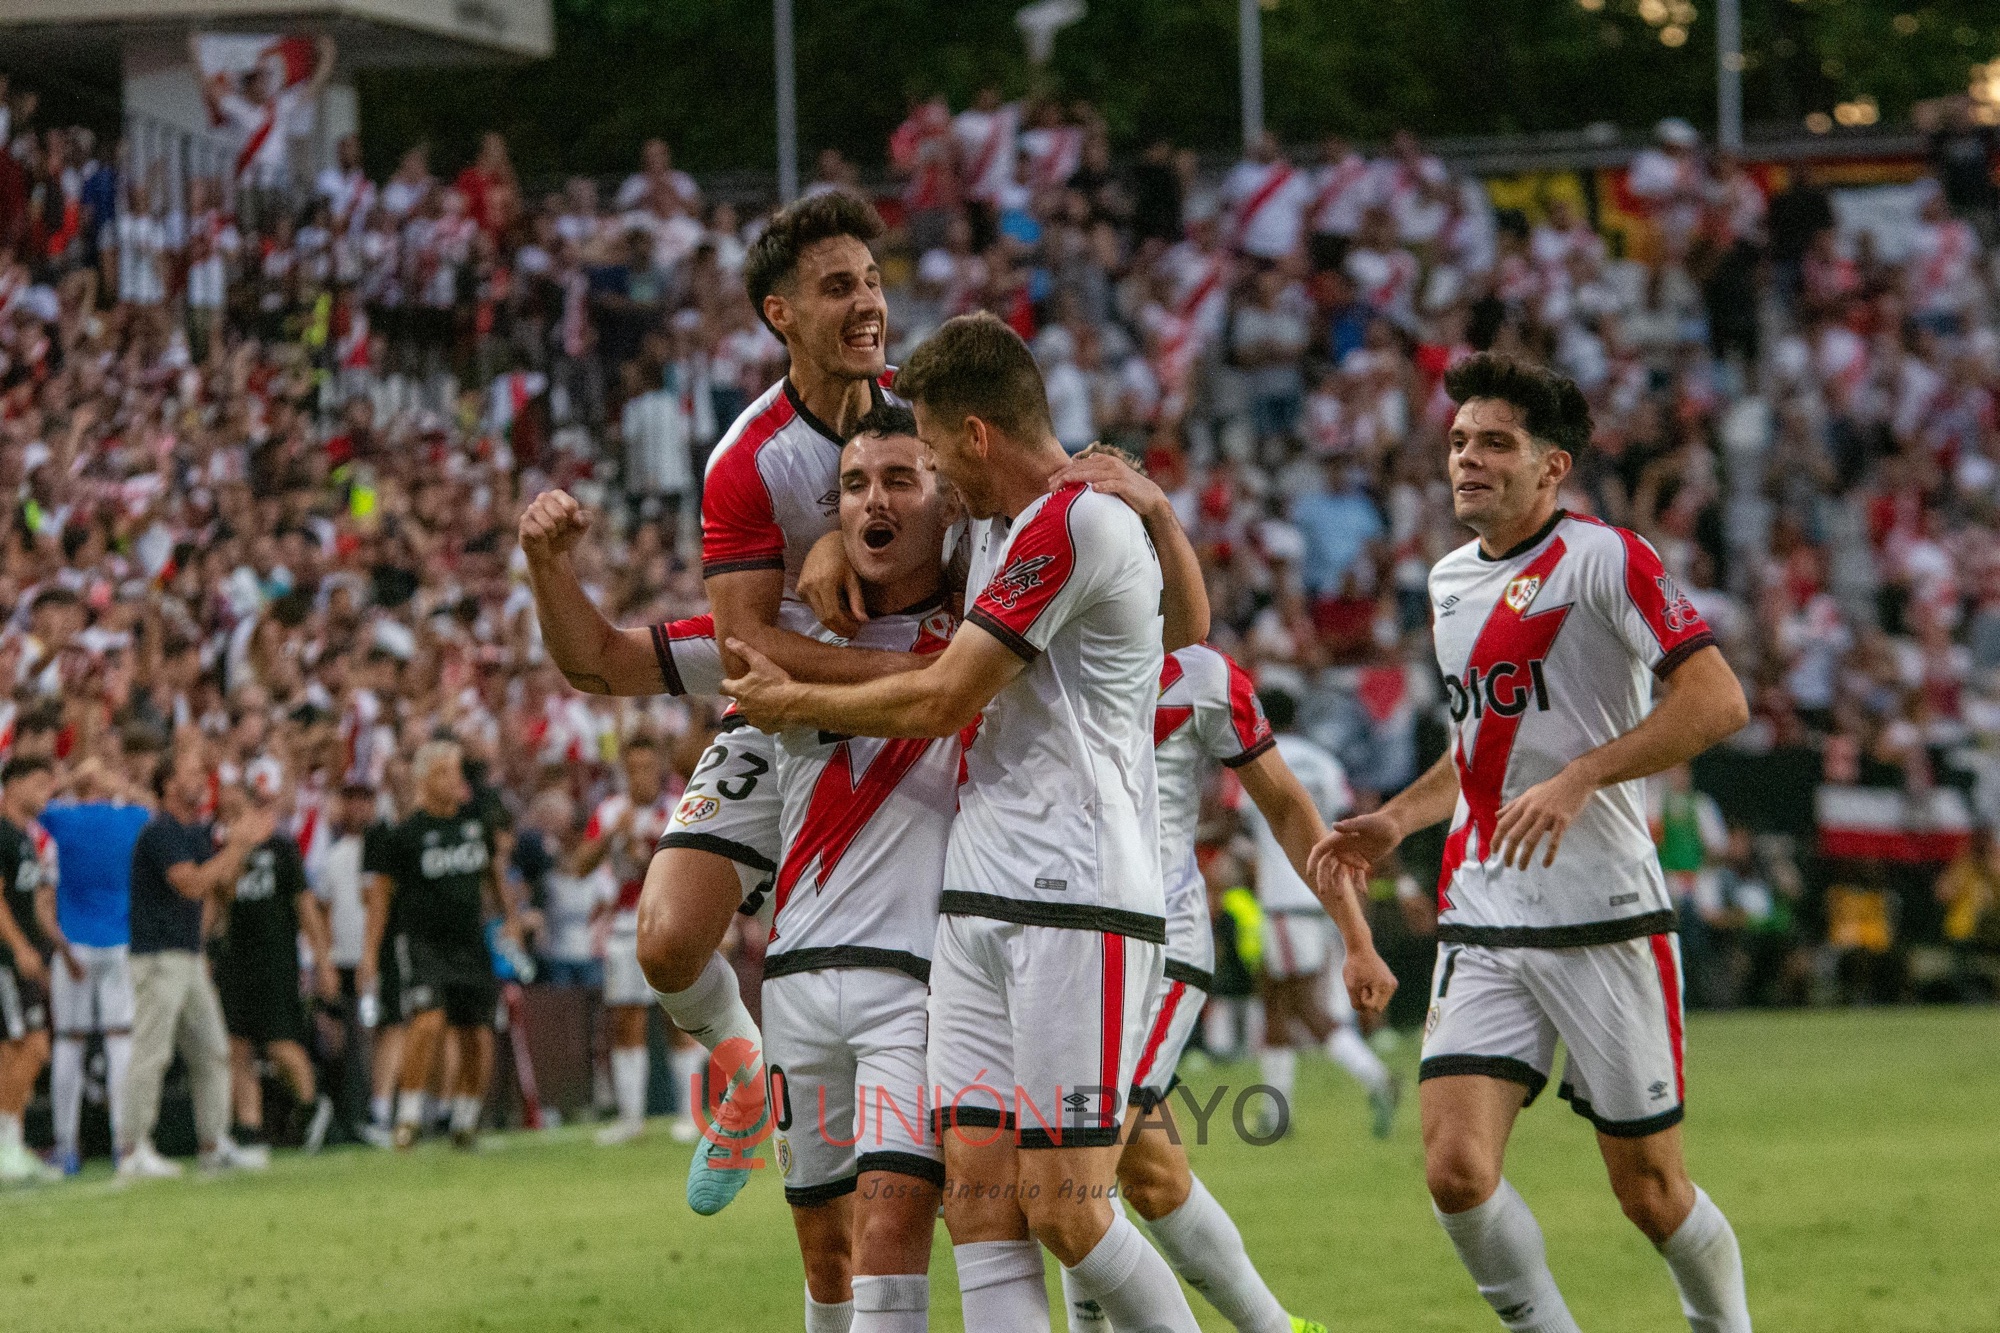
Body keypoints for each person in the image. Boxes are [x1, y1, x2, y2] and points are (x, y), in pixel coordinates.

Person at [725, 313, 1208, 1333]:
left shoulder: (1076, 524)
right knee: (979, 1197)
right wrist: (822, 550)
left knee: (1066, 1205)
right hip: (973, 898)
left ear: (979, 436)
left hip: (1077, 895)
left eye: (939, 453)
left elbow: (944, 696)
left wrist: (789, 704)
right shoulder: (992, 526)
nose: (934, 477)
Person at [1309, 352, 1753, 1333]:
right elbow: (1476, 749)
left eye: (1493, 442)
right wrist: (1394, 816)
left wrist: (1585, 773)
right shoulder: (1445, 580)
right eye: (1458, 441)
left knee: (1648, 1191)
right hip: (1485, 912)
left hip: (1603, 914)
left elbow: (1717, 698)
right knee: (1455, 1171)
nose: (1465, 458)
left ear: (1550, 466)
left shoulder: (1606, 558)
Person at [520, 191, 906, 1215]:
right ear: (779, 314)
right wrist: (545, 568)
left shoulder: (926, 412)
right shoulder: (747, 457)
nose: (866, 304)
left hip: (915, 715)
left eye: (870, 280)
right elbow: (715, 650)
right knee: (664, 940)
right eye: (837, 288)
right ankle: (744, 1074)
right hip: (793, 697)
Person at [1063, 620, 1398, 1333]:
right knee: (1147, 1173)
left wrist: (1359, 935)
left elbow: (1285, 811)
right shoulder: (1029, 653)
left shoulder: (1199, 676)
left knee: (1076, 1166)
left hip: (1160, 946)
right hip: (1063, 949)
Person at [759, 407, 958, 1333]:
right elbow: (609, 659)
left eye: (900, 479)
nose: (874, 500)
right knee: (824, 1250)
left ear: (946, 495)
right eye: (852, 485)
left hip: (910, 985)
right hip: (792, 977)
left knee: (890, 1231)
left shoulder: (985, 624)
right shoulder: (785, 629)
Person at [1239, 687, 1400, 1138]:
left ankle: (1378, 1079)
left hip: (1282, 900)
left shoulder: (1255, 760)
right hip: (1325, 897)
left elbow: (1237, 820)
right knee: (1275, 1005)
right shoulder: (1324, 762)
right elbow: (1350, 823)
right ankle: (1276, 1114)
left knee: (1303, 1009)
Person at [121, 743, 276, 1179]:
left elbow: (223, 886)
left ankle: (213, 1142)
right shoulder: (161, 832)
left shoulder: (196, 832)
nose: (200, 779)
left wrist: (239, 847)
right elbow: (190, 884)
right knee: (152, 1052)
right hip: (157, 955)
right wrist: (237, 844)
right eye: (190, 773)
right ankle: (133, 1146)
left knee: (212, 1051)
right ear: (168, 784)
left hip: (187, 954)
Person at [363, 739, 512, 1150]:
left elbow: (493, 877)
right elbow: (379, 897)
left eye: (458, 771)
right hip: (424, 945)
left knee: (478, 1035)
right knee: (427, 1023)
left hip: (471, 944)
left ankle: (464, 1122)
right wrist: (370, 955)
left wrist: (510, 920)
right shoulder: (406, 834)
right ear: (425, 779)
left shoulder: (475, 823)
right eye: (446, 772)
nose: (456, 780)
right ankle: (408, 1117)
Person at [215, 766, 337, 1153]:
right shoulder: (222, 851)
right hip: (235, 960)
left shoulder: (282, 848)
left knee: (281, 1044)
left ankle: (311, 1105)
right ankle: (248, 1129)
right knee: (237, 1048)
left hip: (276, 959)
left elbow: (305, 907)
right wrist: (235, 848)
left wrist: (322, 960)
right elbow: (222, 900)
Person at [39, 768, 152, 1174]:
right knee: (120, 1039)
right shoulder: (131, 818)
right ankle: (124, 1144)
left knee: (70, 1043)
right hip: (120, 942)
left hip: (72, 943)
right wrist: (125, 783)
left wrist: (69, 780)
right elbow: (155, 809)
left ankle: (66, 1146)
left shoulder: (63, 818)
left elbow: (32, 804)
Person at [577, 736, 677, 1146]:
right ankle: (631, 1119)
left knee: (680, 1016)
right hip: (624, 924)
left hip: (671, 921)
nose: (641, 777)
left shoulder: (677, 809)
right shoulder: (610, 812)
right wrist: (609, 838)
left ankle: (691, 1116)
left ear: (660, 769)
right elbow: (579, 865)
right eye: (632, 769)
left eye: (648, 768)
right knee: (626, 1018)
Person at [0, 756, 60, 1181]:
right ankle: (6, 1145)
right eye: (40, 782)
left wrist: (56, 946)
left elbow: (32, 903)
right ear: (14, 785)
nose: (47, 792)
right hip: (5, 959)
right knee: (31, 1048)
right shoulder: (2, 833)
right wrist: (20, 948)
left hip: (24, 958)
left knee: (17, 1052)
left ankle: (13, 1145)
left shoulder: (26, 837)